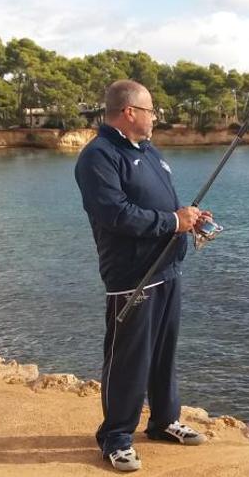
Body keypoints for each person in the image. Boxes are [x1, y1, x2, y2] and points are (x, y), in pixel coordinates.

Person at [75, 79, 209, 472]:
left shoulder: (148, 152)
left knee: (164, 352)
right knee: (128, 359)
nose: (155, 118)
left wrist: (189, 219)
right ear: (129, 112)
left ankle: (164, 421)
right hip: (133, 276)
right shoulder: (98, 157)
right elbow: (115, 214)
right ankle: (115, 437)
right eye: (151, 110)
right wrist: (172, 220)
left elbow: (161, 206)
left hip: (167, 268)